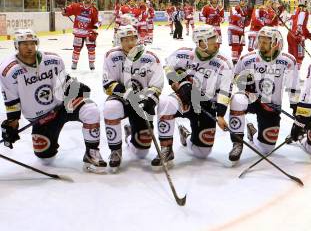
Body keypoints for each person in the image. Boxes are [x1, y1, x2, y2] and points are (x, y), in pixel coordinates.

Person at [0, 29, 107, 173]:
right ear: (16, 45)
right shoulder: (9, 70)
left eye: (32, 43)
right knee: (45, 157)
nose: (29, 47)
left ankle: (91, 152)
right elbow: (12, 102)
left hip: (62, 106)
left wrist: (75, 87)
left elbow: (64, 82)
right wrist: (11, 125)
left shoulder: (53, 60)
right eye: (24, 44)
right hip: (41, 118)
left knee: (90, 109)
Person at [152, 25, 233, 167]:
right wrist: (177, 82)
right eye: (212, 39)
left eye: (215, 37)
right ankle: (166, 148)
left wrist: (220, 114)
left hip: (206, 105)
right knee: (165, 102)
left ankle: (187, 135)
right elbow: (168, 66)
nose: (217, 41)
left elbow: (225, 91)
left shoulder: (223, 63)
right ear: (200, 42)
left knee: (202, 152)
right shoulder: (182, 54)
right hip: (184, 101)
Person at [228, 27, 299, 162]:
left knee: (267, 149)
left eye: (265, 42)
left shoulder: (288, 60)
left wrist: (297, 110)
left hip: (271, 105)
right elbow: (234, 77)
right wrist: (243, 82)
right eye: (260, 40)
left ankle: (252, 132)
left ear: (276, 43)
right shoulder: (247, 58)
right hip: (251, 98)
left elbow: (293, 87)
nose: (261, 44)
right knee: (237, 99)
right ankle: (237, 142)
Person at [102, 25, 164, 172]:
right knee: (110, 108)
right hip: (121, 100)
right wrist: (127, 93)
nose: (129, 43)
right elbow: (108, 84)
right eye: (125, 40)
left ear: (137, 39)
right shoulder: (111, 56)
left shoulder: (150, 57)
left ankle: (130, 135)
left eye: (132, 39)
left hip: (142, 102)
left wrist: (148, 100)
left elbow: (157, 85)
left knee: (142, 152)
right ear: (119, 41)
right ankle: (115, 150)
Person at [62, 0, 100, 70]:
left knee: (91, 48)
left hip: (89, 32)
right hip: (78, 31)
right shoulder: (77, 6)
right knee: (77, 48)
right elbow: (68, 10)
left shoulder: (94, 9)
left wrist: (95, 27)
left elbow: (98, 21)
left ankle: (91, 63)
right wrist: (65, 11)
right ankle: (74, 63)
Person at [287, 0, 311, 70]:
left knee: (291, 54)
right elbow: (301, 25)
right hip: (298, 36)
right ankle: (296, 73)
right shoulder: (304, 11)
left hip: (290, 35)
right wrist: (309, 35)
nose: (307, 3)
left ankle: (290, 72)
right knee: (299, 56)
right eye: (306, 1)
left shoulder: (296, 10)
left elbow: (290, 20)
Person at [228, 0, 252, 64]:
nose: (243, 2)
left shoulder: (245, 11)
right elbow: (234, 16)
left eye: (245, 1)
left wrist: (248, 19)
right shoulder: (234, 8)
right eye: (242, 0)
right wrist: (243, 17)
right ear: (239, 1)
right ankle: (234, 60)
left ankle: (237, 59)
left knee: (241, 47)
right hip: (234, 30)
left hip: (241, 31)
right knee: (235, 45)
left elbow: (246, 24)